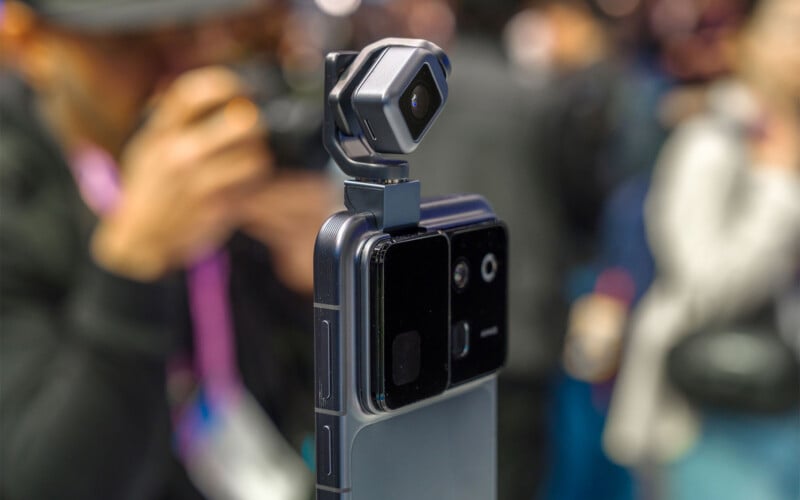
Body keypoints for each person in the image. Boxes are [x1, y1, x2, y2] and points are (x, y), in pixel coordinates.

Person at [0, 1, 337, 499]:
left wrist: (327, 290)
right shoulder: (18, 203)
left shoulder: (241, 147)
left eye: (194, 32)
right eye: (131, 42)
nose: (180, 74)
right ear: (30, 44)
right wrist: (133, 263)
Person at [603, 0, 800, 497]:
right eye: (792, 29)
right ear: (749, 42)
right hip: (717, 416)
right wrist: (778, 187)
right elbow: (703, 285)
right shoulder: (712, 141)